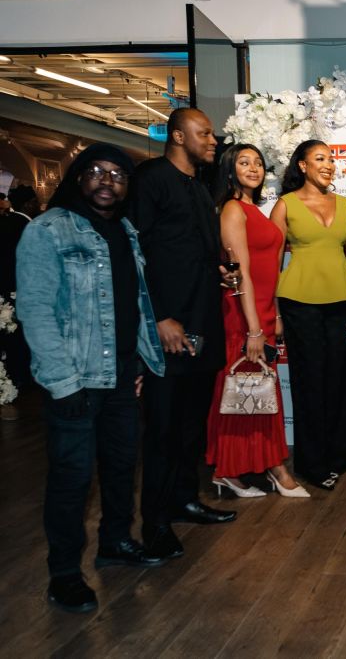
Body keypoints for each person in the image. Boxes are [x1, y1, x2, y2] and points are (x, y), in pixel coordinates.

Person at [16, 144, 166, 613]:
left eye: (119, 175)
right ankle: (64, 574)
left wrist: (139, 364)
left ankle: (116, 541)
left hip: (120, 374)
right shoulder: (49, 231)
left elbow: (133, 304)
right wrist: (63, 382)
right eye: (97, 172)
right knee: (72, 479)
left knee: (122, 466)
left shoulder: (124, 230)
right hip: (75, 377)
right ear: (79, 177)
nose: (108, 181)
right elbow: (36, 310)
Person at [130, 108, 236, 561]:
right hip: (167, 328)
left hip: (202, 325)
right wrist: (156, 316)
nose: (213, 141)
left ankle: (183, 500)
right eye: (204, 133)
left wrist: (221, 272)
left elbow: (192, 250)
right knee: (162, 431)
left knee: (190, 427)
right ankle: (153, 522)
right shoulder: (151, 179)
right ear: (177, 135)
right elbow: (135, 252)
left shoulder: (198, 187)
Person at [205, 144, 309, 499]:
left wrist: (274, 314)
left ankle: (242, 469)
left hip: (261, 312)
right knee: (243, 394)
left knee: (255, 395)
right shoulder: (233, 210)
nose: (253, 168)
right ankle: (248, 469)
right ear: (229, 170)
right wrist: (253, 328)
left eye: (258, 163)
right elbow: (241, 273)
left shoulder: (255, 209)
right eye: (243, 162)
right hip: (242, 316)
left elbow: (271, 269)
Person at [270, 140, 346, 491]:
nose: (328, 165)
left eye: (331, 159)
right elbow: (272, 260)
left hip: (342, 303)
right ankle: (312, 464)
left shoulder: (345, 206)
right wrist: (275, 312)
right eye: (319, 159)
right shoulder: (285, 205)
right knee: (309, 382)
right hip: (299, 302)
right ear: (302, 166)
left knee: (340, 381)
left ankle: (340, 455)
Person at [0, 191, 31, 421]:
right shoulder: (21, 223)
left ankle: (15, 375)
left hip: (9, 287)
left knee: (12, 334)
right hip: (13, 286)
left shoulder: (14, 222)